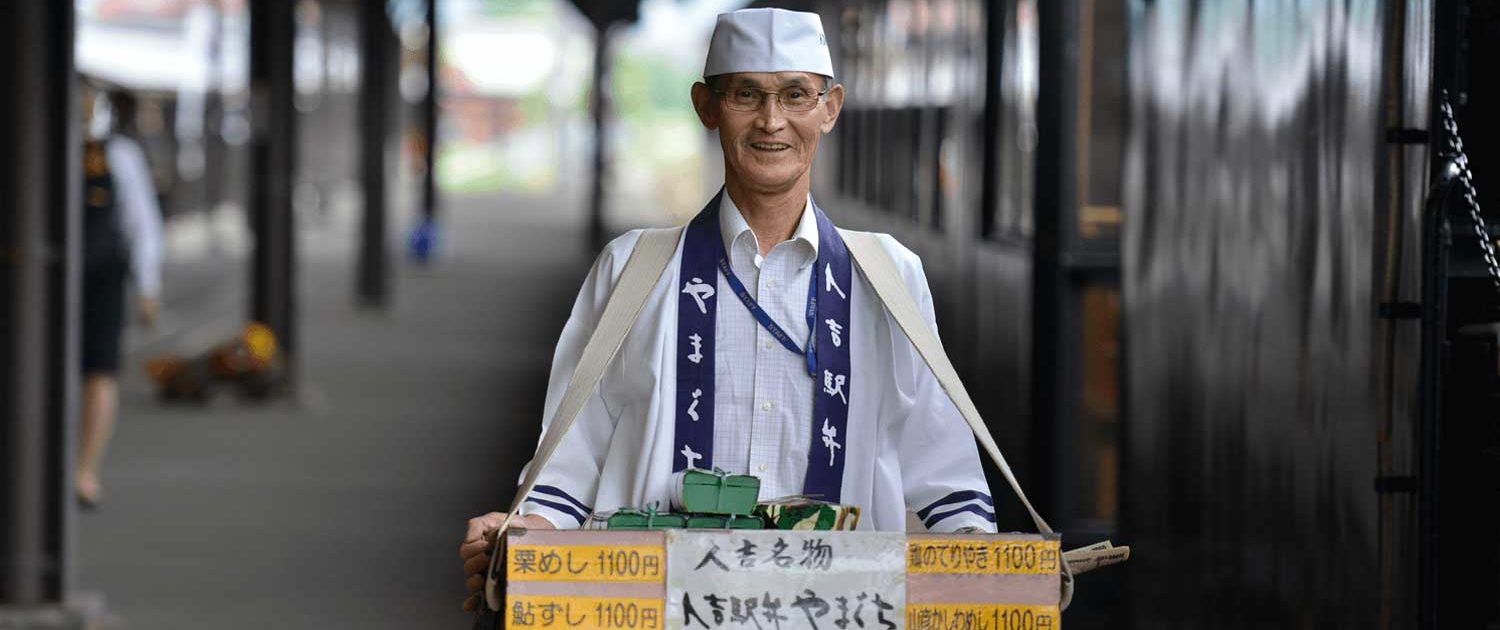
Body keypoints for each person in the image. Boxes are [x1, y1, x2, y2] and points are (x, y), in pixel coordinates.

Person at [460, 8, 996, 609]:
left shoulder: (889, 278)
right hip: (660, 611)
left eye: (796, 94)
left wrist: (991, 570)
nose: (772, 119)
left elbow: (944, 474)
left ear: (830, 108)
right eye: (746, 94)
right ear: (706, 106)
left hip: (837, 611)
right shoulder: (633, 270)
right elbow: (568, 465)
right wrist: (522, 533)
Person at [77, 83, 164, 507]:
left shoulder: (119, 154)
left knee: (100, 370)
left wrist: (148, 284)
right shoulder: (31, 146)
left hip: (100, 276)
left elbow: (141, 220)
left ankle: (84, 470)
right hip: (43, 281)